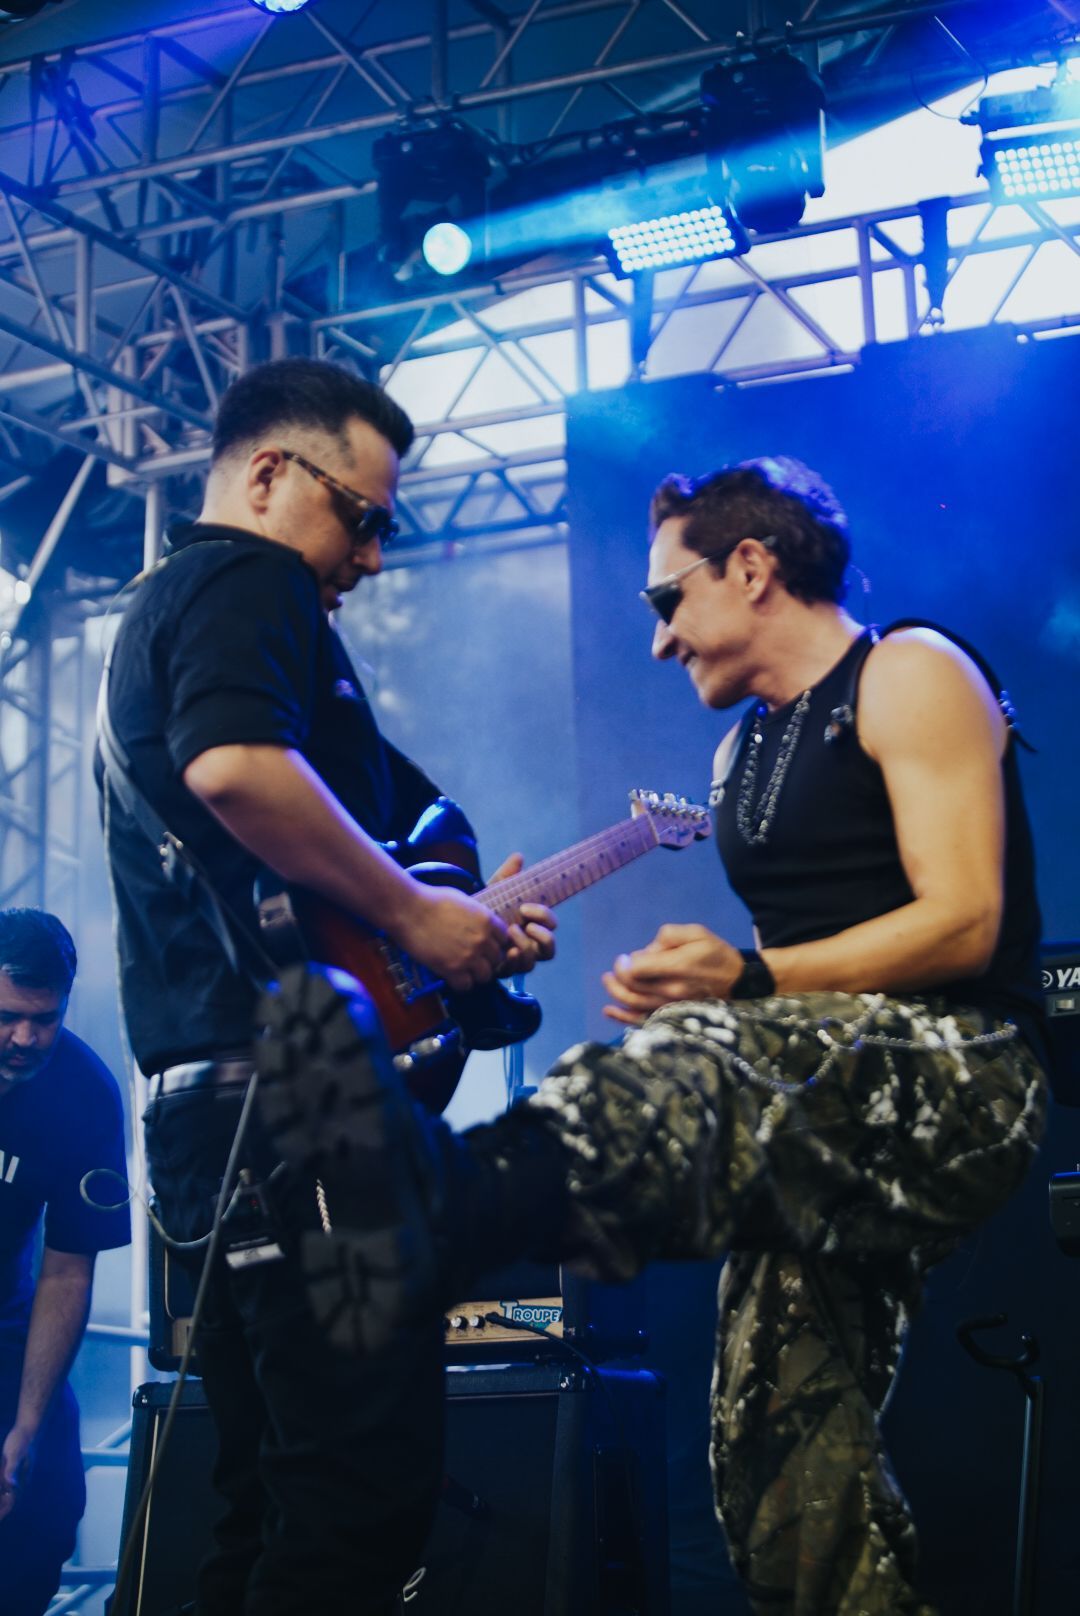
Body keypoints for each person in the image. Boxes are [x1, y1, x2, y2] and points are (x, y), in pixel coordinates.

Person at [252, 456, 1048, 1616]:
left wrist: (746, 981)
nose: (661, 640)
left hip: (969, 1078)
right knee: (775, 1458)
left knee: (687, 1068)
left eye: (666, 600)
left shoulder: (909, 673)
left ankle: (446, 1205)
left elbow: (966, 920)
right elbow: (790, 1006)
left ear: (754, 567)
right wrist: (706, 986)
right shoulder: (738, 760)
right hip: (822, 1108)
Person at [97, 356, 555, 1616]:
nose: (372, 558)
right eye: (363, 518)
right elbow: (236, 767)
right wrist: (418, 913)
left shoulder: (164, 612)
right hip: (300, 1106)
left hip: (216, 1114)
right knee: (358, 1503)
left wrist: (452, 921)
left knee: (262, 1496)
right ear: (265, 472)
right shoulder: (251, 578)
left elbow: (402, 821)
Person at [0, 907, 130, 1616]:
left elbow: (67, 1270)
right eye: (6, 1015)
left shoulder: (83, 1095)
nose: (24, 1038)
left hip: (7, 1317)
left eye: (43, 1019)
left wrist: (23, 1428)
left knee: (47, 1496)